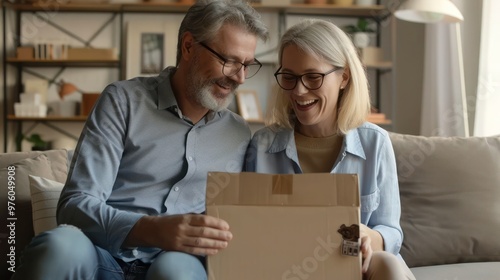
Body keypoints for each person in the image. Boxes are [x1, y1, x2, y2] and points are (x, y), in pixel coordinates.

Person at [12, 1, 268, 279]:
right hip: (102, 257)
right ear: (188, 46)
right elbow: (75, 205)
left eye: (247, 65)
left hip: (177, 264)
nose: (240, 77)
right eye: (229, 61)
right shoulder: (122, 102)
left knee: (176, 271)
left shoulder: (239, 134)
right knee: (60, 247)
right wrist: (152, 229)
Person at [244, 18, 416, 280]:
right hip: (288, 269)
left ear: (344, 77)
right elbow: (248, 229)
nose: (299, 91)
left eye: (313, 77)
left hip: (357, 269)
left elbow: (391, 231)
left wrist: (367, 236)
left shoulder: (375, 143)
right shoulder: (262, 146)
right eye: (289, 77)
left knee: (388, 265)